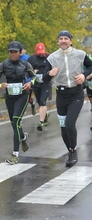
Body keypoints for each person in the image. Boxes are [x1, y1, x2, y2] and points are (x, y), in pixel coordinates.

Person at [43, 30, 92, 167]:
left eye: (66, 38)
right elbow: (45, 77)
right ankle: (70, 151)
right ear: (58, 42)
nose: (63, 41)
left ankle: (73, 150)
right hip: (61, 95)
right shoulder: (52, 58)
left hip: (76, 94)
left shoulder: (80, 55)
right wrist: (49, 73)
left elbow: (90, 66)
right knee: (63, 127)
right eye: (61, 39)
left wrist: (84, 75)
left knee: (70, 123)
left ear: (71, 41)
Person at [0, 41, 37, 164]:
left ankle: (15, 154)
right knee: (14, 123)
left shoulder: (25, 64)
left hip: (22, 95)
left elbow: (34, 77)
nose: (13, 54)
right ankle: (23, 137)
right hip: (10, 96)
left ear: (20, 52)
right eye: (10, 52)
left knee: (16, 120)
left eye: (15, 52)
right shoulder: (3, 65)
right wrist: (1, 84)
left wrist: (29, 83)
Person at [27, 43, 52, 131]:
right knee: (39, 102)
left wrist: (50, 73)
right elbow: (26, 71)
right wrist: (32, 72)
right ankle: (45, 115)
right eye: (39, 52)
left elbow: (55, 68)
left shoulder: (49, 57)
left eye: (42, 51)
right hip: (36, 83)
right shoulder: (31, 59)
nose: (41, 53)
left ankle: (41, 122)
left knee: (42, 101)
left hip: (46, 82)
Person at [84, 44, 92, 113]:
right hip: (89, 82)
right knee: (90, 96)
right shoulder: (87, 57)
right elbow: (84, 68)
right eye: (91, 48)